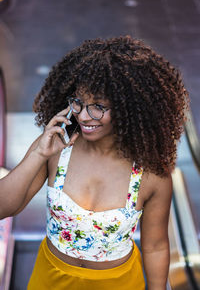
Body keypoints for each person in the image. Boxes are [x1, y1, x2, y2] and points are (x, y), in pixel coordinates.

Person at [0, 36, 189, 290]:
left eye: (98, 106)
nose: (84, 115)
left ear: (127, 108)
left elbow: (156, 246)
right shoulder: (57, 147)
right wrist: (38, 154)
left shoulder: (150, 171)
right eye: (78, 102)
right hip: (50, 280)